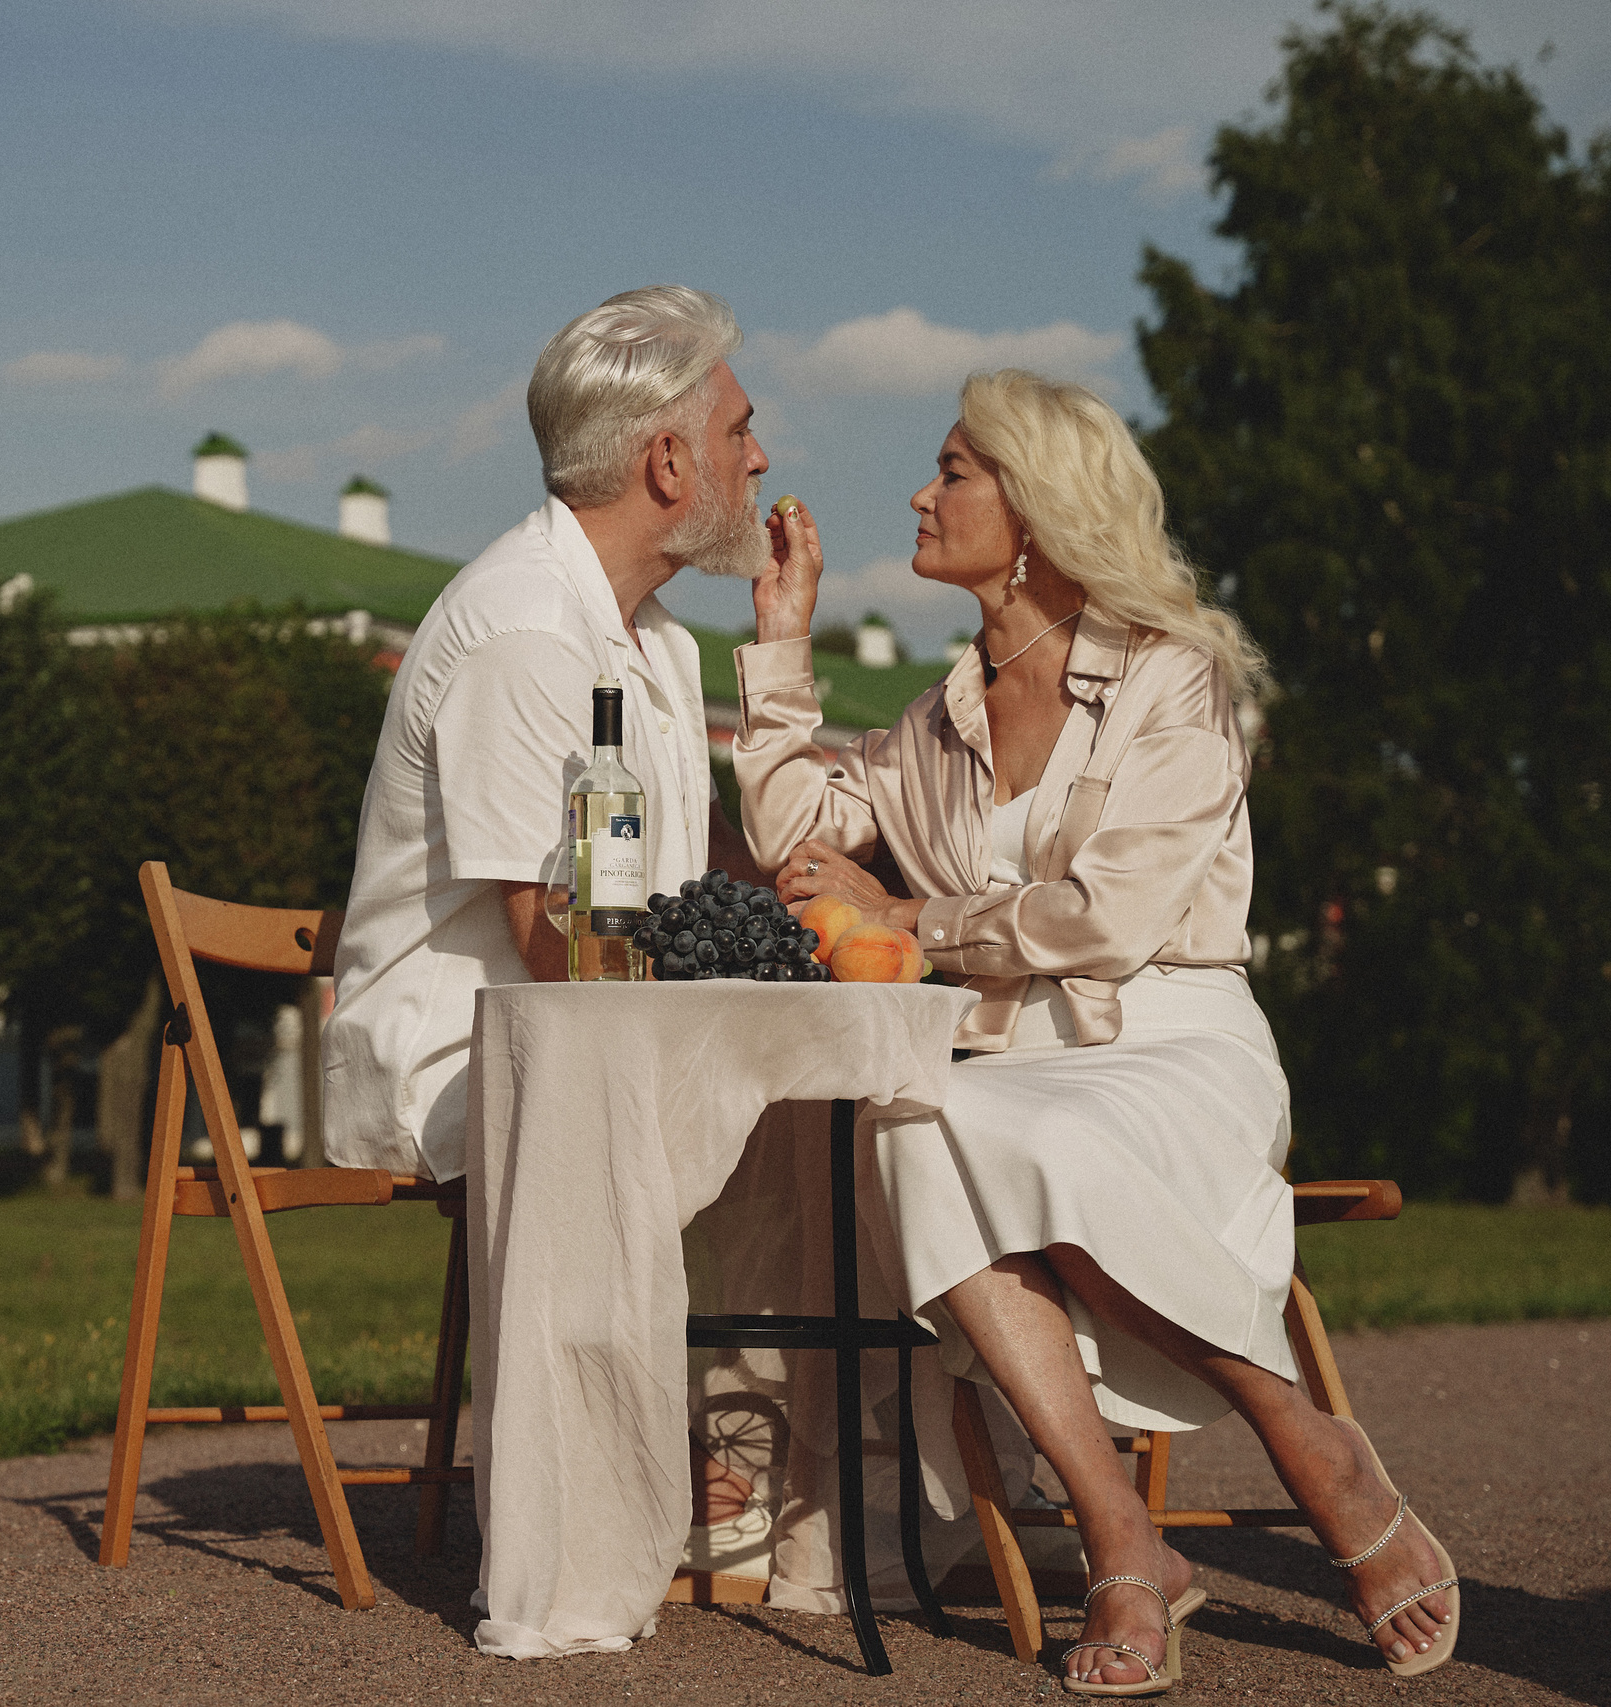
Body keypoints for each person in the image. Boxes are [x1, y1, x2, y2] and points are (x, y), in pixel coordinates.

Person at [727, 369, 1460, 1693]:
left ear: (1036, 500)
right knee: (921, 1117)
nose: (920, 490)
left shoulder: (1174, 679)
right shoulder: (934, 722)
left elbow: (1109, 917)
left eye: (953, 467)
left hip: (1173, 1042)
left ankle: (1292, 1433)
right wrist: (781, 638)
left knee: (969, 1128)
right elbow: (793, 839)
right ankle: (1126, 1526)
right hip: (1014, 1065)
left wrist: (915, 912)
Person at [324, 285, 766, 1183]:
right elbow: (554, 942)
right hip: (458, 1064)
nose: (759, 459)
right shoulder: (524, 628)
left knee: (854, 1127)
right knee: (772, 1122)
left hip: (596, 1041)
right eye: (739, 432)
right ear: (670, 461)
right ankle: (611, 1336)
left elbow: (726, 879)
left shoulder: (661, 639)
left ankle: (740, 1332)